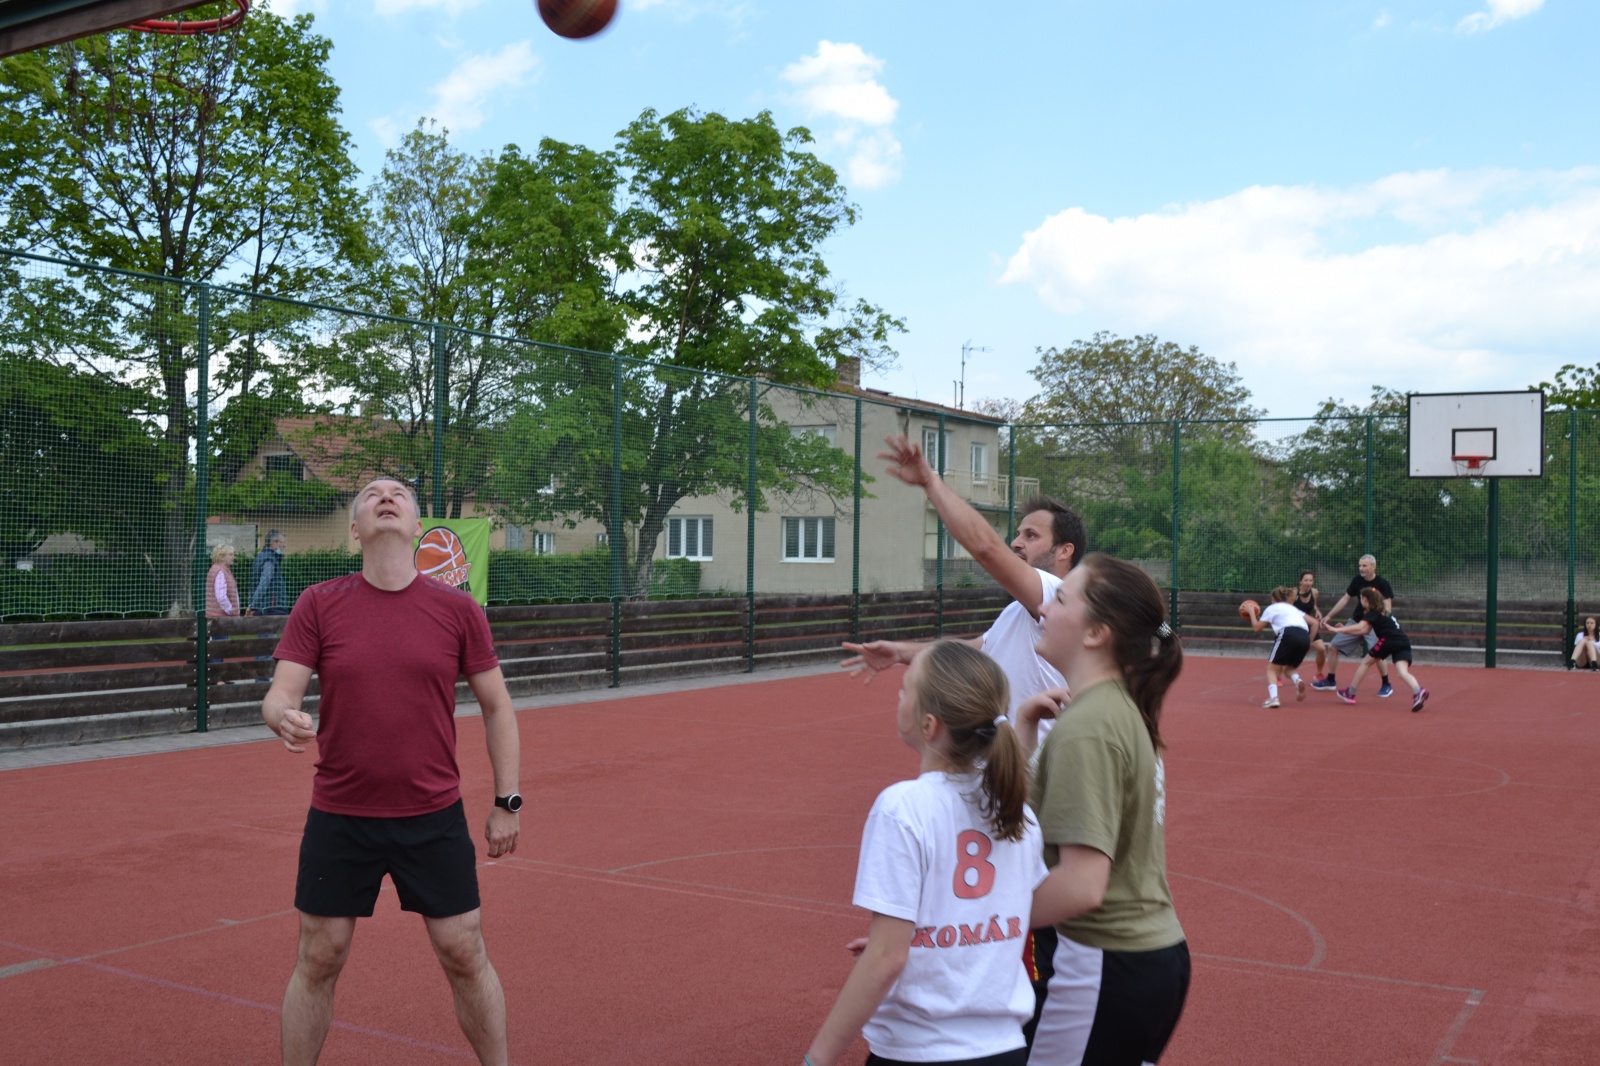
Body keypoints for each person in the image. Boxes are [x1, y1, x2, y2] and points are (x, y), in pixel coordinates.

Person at [261, 478, 521, 1066]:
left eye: (398, 493)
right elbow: (280, 694)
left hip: (432, 815)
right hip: (340, 814)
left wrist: (508, 802)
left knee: (463, 951)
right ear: (355, 529)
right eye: (372, 494)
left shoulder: (458, 609)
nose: (385, 496)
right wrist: (282, 717)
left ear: (416, 526)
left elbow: (498, 707)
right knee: (319, 955)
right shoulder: (318, 603)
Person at [838, 434, 1085, 1045]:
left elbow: (983, 547)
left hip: (1032, 789)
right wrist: (902, 653)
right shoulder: (1024, 614)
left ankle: (1023, 1035)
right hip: (1004, 781)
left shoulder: (1051, 597)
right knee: (986, 910)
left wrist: (930, 483)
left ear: (1064, 553)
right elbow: (977, 649)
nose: (1017, 542)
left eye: (1030, 535)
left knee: (1035, 938)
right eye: (1018, 534)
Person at [805, 640, 1047, 1066]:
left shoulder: (903, 808)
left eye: (905, 689)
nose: (899, 695)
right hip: (1005, 1049)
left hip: (921, 1051)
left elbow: (886, 959)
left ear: (929, 724)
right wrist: (923, 939)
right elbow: (1006, 910)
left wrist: (817, 1059)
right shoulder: (1016, 812)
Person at [1017, 553, 1190, 1065]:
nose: (1044, 608)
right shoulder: (1114, 708)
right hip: (1138, 960)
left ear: (1096, 633)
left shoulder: (1089, 727)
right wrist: (1025, 728)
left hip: (1101, 965)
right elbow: (1028, 821)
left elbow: (1082, 885)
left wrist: (972, 926)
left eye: (1061, 598)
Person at [1328, 588, 1429, 712]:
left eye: (1361, 598)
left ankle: (1350, 693)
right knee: (1402, 672)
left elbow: (1360, 626)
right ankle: (1418, 691)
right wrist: (1345, 630)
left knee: (1365, 663)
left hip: (1388, 640)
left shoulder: (1372, 613)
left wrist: (1337, 630)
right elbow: (1365, 631)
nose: (1360, 601)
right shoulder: (1385, 612)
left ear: (1365, 599)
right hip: (1403, 641)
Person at [1310, 554, 1393, 697]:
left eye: (1364, 566)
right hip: (1357, 621)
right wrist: (1329, 616)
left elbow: (1388, 608)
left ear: (1373, 566)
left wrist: (1380, 624)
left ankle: (1386, 684)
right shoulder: (1357, 580)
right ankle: (1330, 680)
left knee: (1377, 653)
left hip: (1373, 624)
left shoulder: (1382, 584)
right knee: (1334, 646)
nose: (1361, 568)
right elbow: (1345, 599)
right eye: (1360, 565)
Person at [1245, 586, 1310, 707]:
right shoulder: (1293, 609)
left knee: (1271, 669)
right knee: (1289, 669)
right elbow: (1314, 622)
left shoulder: (1272, 608)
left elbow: (1257, 628)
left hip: (1288, 633)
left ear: (1273, 598)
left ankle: (1273, 698)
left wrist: (1251, 612)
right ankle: (1298, 680)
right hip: (1305, 636)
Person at [1292, 570, 1328, 679]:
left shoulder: (1314, 592)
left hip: (1309, 625)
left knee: (1321, 649)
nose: (1308, 583)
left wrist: (1317, 611)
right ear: (1300, 581)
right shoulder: (1294, 593)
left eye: (1310, 580)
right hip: (1296, 625)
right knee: (1289, 651)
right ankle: (1277, 675)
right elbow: (1287, 609)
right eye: (1306, 580)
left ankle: (1318, 673)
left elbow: (1314, 605)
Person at [249, 529, 290, 615]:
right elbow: (263, 584)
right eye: (282, 542)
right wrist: (253, 606)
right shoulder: (269, 560)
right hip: (271, 608)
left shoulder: (264, 557)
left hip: (267, 607)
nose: (284, 545)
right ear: (272, 543)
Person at [205, 544, 239, 619]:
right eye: (230, 555)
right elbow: (221, 597)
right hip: (220, 617)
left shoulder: (219, 569)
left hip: (216, 615)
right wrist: (231, 610)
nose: (233, 557)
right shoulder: (220, 571)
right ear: (222, 557)